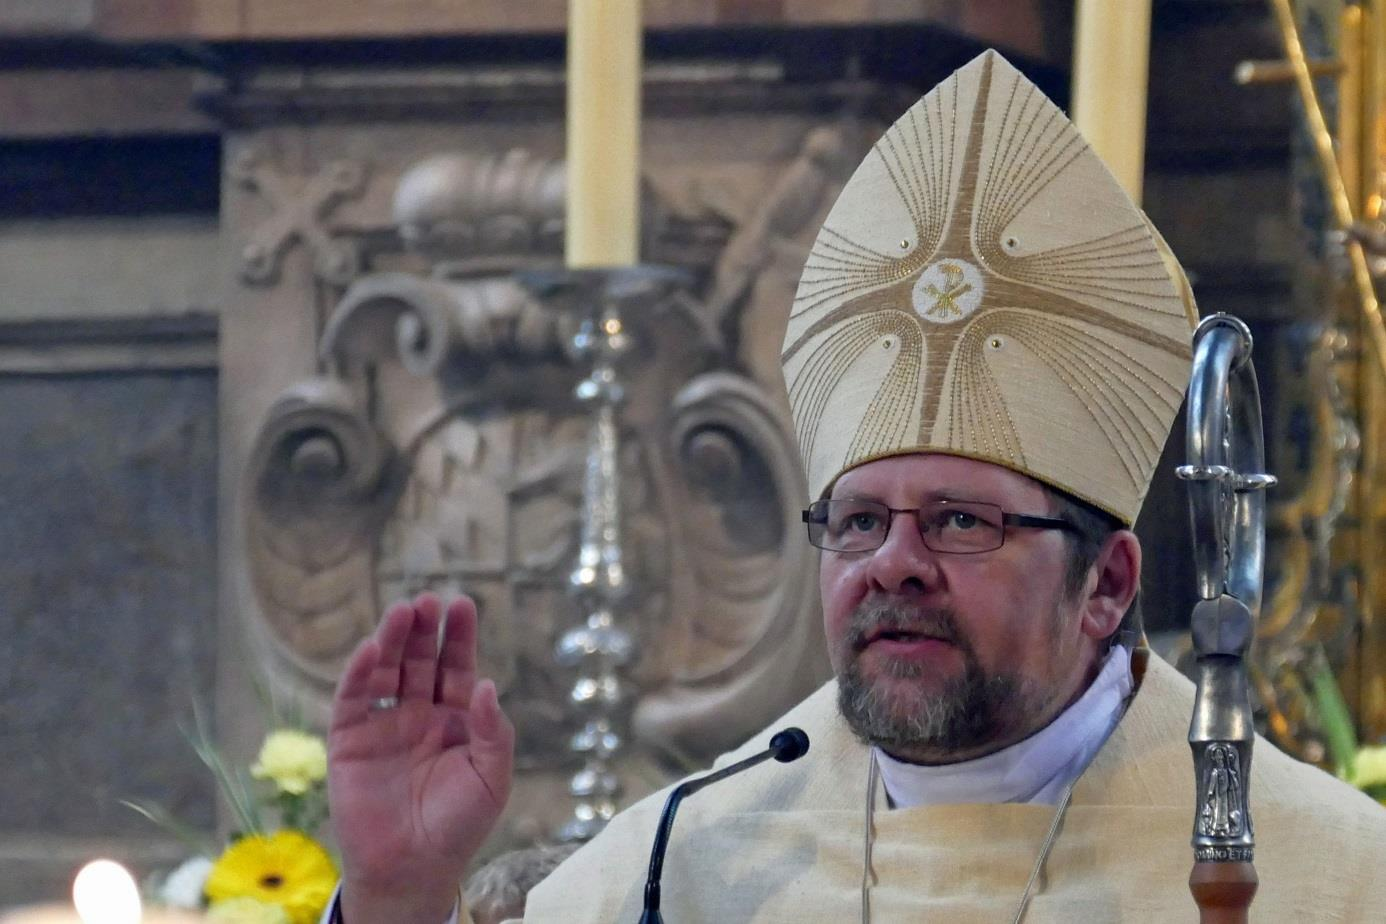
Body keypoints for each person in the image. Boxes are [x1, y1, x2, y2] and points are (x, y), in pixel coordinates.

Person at [322, 50, 1386, 923]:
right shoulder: (682, 862)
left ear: (1106, 584)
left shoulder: (1320, 874)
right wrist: (396, 895)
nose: (894, 565)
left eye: (962, 521)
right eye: (860, 520)